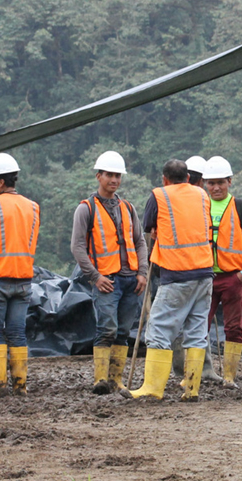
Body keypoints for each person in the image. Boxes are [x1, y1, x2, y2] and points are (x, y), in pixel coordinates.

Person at [126, 159, 214, 402]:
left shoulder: (159, 196)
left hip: (176, 272)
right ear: (187, 178)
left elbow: (148, 226)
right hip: (205, 272)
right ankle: (192, 388)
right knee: (197, 332)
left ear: (165, 179)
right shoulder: (202, 195)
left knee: (158, 330)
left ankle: (153, 388)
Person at [71, 151, 148, 395]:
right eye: (109, 175)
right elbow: (77, 247)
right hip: (106, 280)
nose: (114, 179)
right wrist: (95, 277)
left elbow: (140, 242)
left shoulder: (128, 208)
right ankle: (100, 380)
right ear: (99, 176)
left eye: (117, 175)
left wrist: (142, 272)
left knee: (123, 332)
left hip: (130, 280)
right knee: (107, 329)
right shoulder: (86, 209)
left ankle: (117, 381)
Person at [0, 152, 41, 397]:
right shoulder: (33, 207)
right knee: (16, 332)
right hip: (23, 280)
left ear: (1, 182)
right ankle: (20, 385)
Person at [202, 156, 242, 388]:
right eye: (211, 183)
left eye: (221, 182)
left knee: (234, 327)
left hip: (233, 277)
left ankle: (229, 377)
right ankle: (195, 375)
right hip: (204, 277)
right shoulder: (200, 205)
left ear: (230, 182)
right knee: (199, 326)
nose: (216, 187)